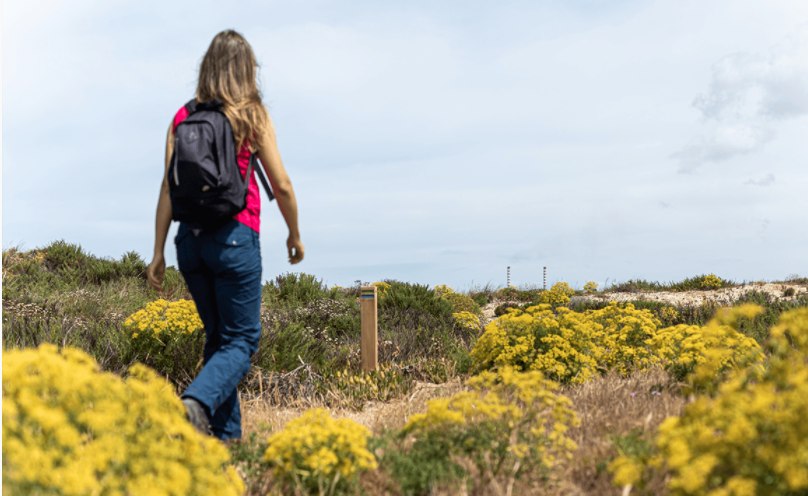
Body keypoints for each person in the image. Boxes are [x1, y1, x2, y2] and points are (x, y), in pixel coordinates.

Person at [146, 29, 304, 440]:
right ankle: (194, 402)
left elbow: (168, 186)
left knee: (219, 341)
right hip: (236, 236)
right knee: (243, 341)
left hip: (189, 243)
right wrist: (294, 234)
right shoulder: (251, 113)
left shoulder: (183, 116)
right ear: (247, 70)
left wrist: (158, 252)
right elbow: (282, 184)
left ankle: (224, 449)